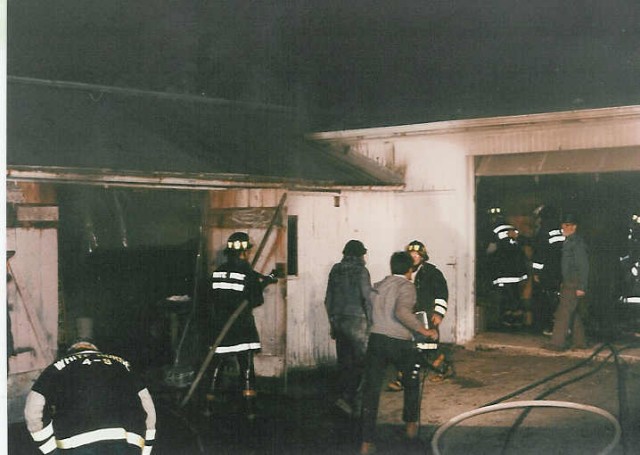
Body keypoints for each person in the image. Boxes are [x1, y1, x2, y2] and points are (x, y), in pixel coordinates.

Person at [359, 252, 438, 455]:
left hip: (376, 340)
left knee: (371, 390)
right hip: (399, 342)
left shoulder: (379, 285)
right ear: (409, 270)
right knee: (411, 382)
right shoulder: (407, 286)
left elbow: (368, 306)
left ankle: (366, 444)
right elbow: (402, 312)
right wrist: (425, 331)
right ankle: (411, 430)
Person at [24, 339, 157, 454]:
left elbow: (33, 411)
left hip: (77, 444)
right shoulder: (123, 364)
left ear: (71, 352)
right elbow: (148, 408)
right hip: (127, 444)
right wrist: (146, 449)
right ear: (96, 350)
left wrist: (49, 448)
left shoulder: (56, 367)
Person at [200, 231, 277, 418]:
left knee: (216, 365)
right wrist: (262, 284)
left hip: (219, 327)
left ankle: (208, 408)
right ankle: (249, 409)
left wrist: (262, 281)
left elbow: (208, 298)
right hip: (241, 328)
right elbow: (255, 300)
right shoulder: (247, 273)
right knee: (246, 367)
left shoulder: (216, 273)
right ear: (245, 252)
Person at [387, 240, 450, 391]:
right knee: (407, 347)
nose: (414, 257)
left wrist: (439, 313)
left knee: (428, 346)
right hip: (409, 315)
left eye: (417, 254)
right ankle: (402, 379)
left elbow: (442, 294)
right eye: (411, 254)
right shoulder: (404, 272)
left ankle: (443, 368)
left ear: (423, 256)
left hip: (427, 315)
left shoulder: (432, 273)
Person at [324, 239, 373, 416]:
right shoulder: (361, 270)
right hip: (357, 321)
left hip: (338, 320)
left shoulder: (335, 270)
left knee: (344, 362)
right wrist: (371, 323)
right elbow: (367, 298)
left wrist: (333, 321)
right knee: (360, 363)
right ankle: (352, 400)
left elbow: (328, 298)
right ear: (360, 254)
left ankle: (343, 397)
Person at [546, 213, 590, 351]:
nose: (563, 228)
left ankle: (557, 343)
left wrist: (581, 285)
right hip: (570, 281)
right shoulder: (570, 241)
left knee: (563, 312)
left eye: (567, 225)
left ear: (574, 227)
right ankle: (580, 342)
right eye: (563, 225)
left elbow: (583, 265)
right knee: (574, 312)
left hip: (573, 282)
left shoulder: (576, 243)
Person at [487, 211, 529, 328]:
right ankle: (518, 320)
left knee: (505, 296)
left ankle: (507, 321)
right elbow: (520, 244)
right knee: (515, 295)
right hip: (517, 270)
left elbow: (491, 249)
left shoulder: (495, 230)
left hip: (503, 270)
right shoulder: (513, 229)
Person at [531, 205, 565, 335]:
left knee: (547, 297)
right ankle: (562, 326)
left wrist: (536, 272)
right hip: (561, 269)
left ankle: (550, 326)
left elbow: (540, 253)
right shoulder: (562, 229)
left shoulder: (544, 230)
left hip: (548, 270)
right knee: (559, 296)